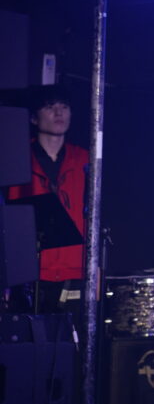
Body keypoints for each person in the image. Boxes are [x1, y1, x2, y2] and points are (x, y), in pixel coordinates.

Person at [5, 85, 89, 313]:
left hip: (74, 268)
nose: (59, 113)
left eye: (64, 106)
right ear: (34, 118)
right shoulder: (17, 157)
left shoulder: (84, 159)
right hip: (28, 271)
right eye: (50, 107)